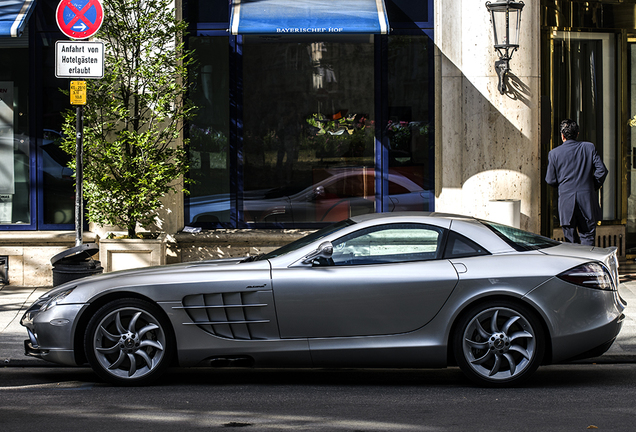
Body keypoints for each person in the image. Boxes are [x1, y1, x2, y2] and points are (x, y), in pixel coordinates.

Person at [545, 119, 608, 245]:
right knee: (588, 237)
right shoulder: (588, 147)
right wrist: (591, 186)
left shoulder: (554, 153)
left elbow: (550, 179)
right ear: (577, 134)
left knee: (570, 240)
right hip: (587, 200)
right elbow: (602, 170)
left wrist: (564, 187)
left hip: (566, 201)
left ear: (562, 135)